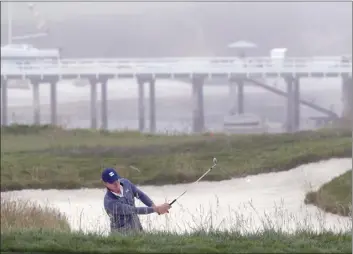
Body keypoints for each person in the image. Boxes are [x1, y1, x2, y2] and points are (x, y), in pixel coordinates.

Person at [101, 167, 171, 234]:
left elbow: (140, 195)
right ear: (105, 183)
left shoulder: (126, 183)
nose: (116, 183)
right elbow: (133, 210)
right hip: (121, 234)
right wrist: (156, 209)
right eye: (112, 182)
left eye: (116, 180)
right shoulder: (109, 201)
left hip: (137, 227)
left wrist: (154, 207)